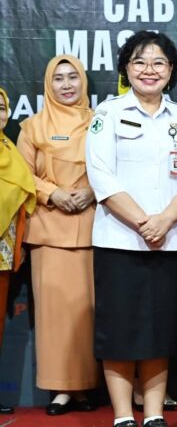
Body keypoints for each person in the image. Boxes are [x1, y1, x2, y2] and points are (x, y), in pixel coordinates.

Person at [86, 31, 177, 427]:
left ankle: (153, 414)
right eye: (139, 62)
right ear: (126, 68)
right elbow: (101, 177)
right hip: (119, 242)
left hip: (169, 243)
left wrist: (165, 221)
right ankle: (123, 415)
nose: (149, 70)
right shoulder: (107, 114)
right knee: (119, 331)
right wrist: (143, 222)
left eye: (158, 62)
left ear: (171, 70)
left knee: (160, 331)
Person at [16, 55, 98, 415]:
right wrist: (52, 193)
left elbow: (115, 166)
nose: (66, 85)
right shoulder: (33, 127)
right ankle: (61, 390)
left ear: (83, 82)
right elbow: (21, 175)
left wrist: (93, 191)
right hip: (49, 231)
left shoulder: (101, 122)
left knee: (87, 314)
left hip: (93, 229)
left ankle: (86, 386)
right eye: (58, 79)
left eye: (73, 77)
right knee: (54, 317)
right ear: (48, 85)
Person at [0, 86, 37, 416]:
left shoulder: (11, 152)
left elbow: (23, 204)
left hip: (4, 254)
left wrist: (20, 245)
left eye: (0, 108)